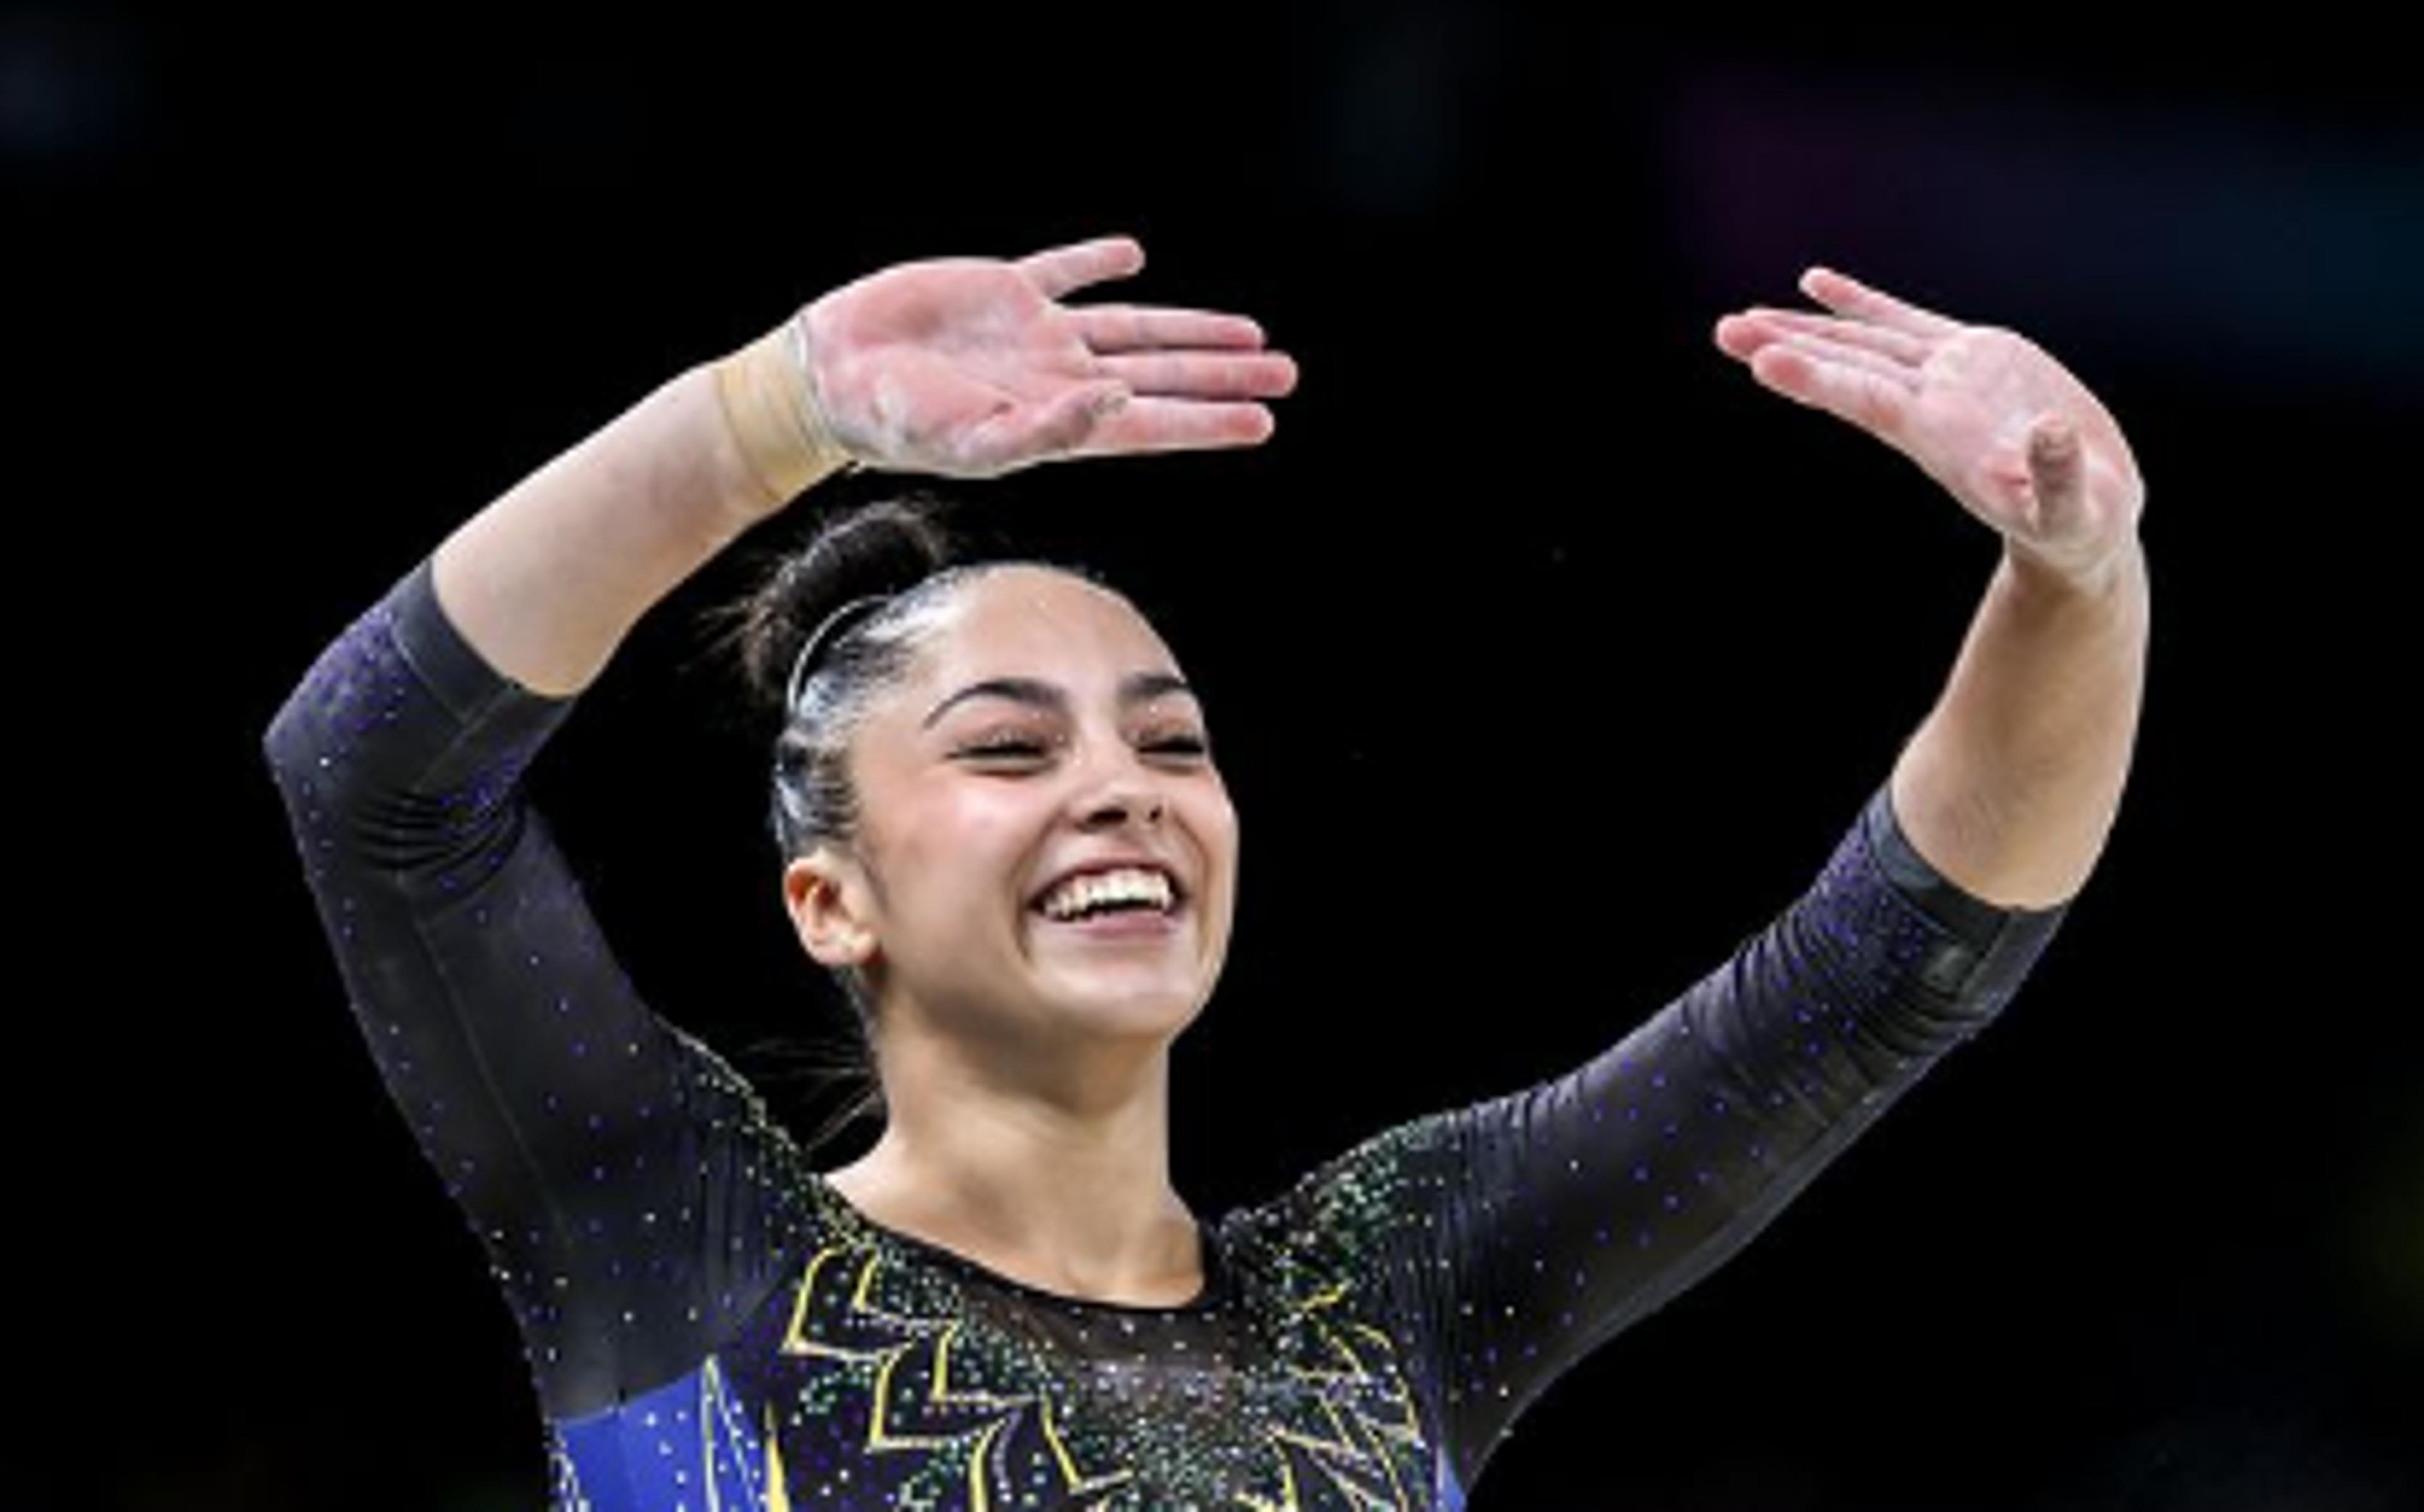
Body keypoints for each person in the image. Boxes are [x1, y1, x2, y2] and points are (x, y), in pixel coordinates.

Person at [262, 233, 2148, 1509]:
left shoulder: (1390, 1286)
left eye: (1170, 741)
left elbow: (1886, 974)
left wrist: (2079, 572)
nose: (1124, 790)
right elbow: (371, 775)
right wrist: (767, 415)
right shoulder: (685, 1243)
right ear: (831, 900)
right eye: (1011, 746)